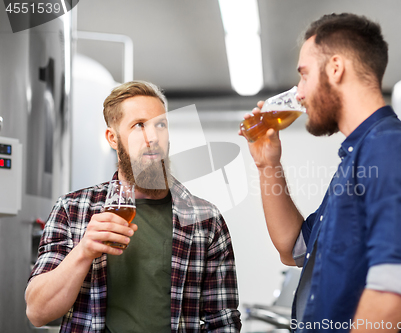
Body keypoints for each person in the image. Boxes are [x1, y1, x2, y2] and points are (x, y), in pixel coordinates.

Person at [240, 13, 401, 332]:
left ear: (336, 68)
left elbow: (393, 288)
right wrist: (268, 165)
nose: (299, 94)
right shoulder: (357, 158)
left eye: (304, 76)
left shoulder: (389, 149)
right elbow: (293, 248)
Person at [26, 81, 241, 333]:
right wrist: (83, 251)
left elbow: (223, 322)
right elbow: (37, 312)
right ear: (112, 138)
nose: (153, 137)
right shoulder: (71, 210)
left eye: (160, 125)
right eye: (139, 125)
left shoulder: (206, 219)